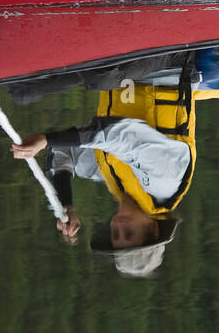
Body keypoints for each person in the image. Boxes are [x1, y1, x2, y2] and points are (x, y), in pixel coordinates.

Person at [10, 54, 196, 277]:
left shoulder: (114, 180)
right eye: (129, 232)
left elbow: (63, 154)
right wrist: (47, 139)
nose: (118, 226)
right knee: (100, 77)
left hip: (122, 72)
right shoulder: (166, 181)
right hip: (165, 63)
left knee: (22, 92)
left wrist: (67, 203)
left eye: (115, 234)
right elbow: (122, 134)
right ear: (152, 228)